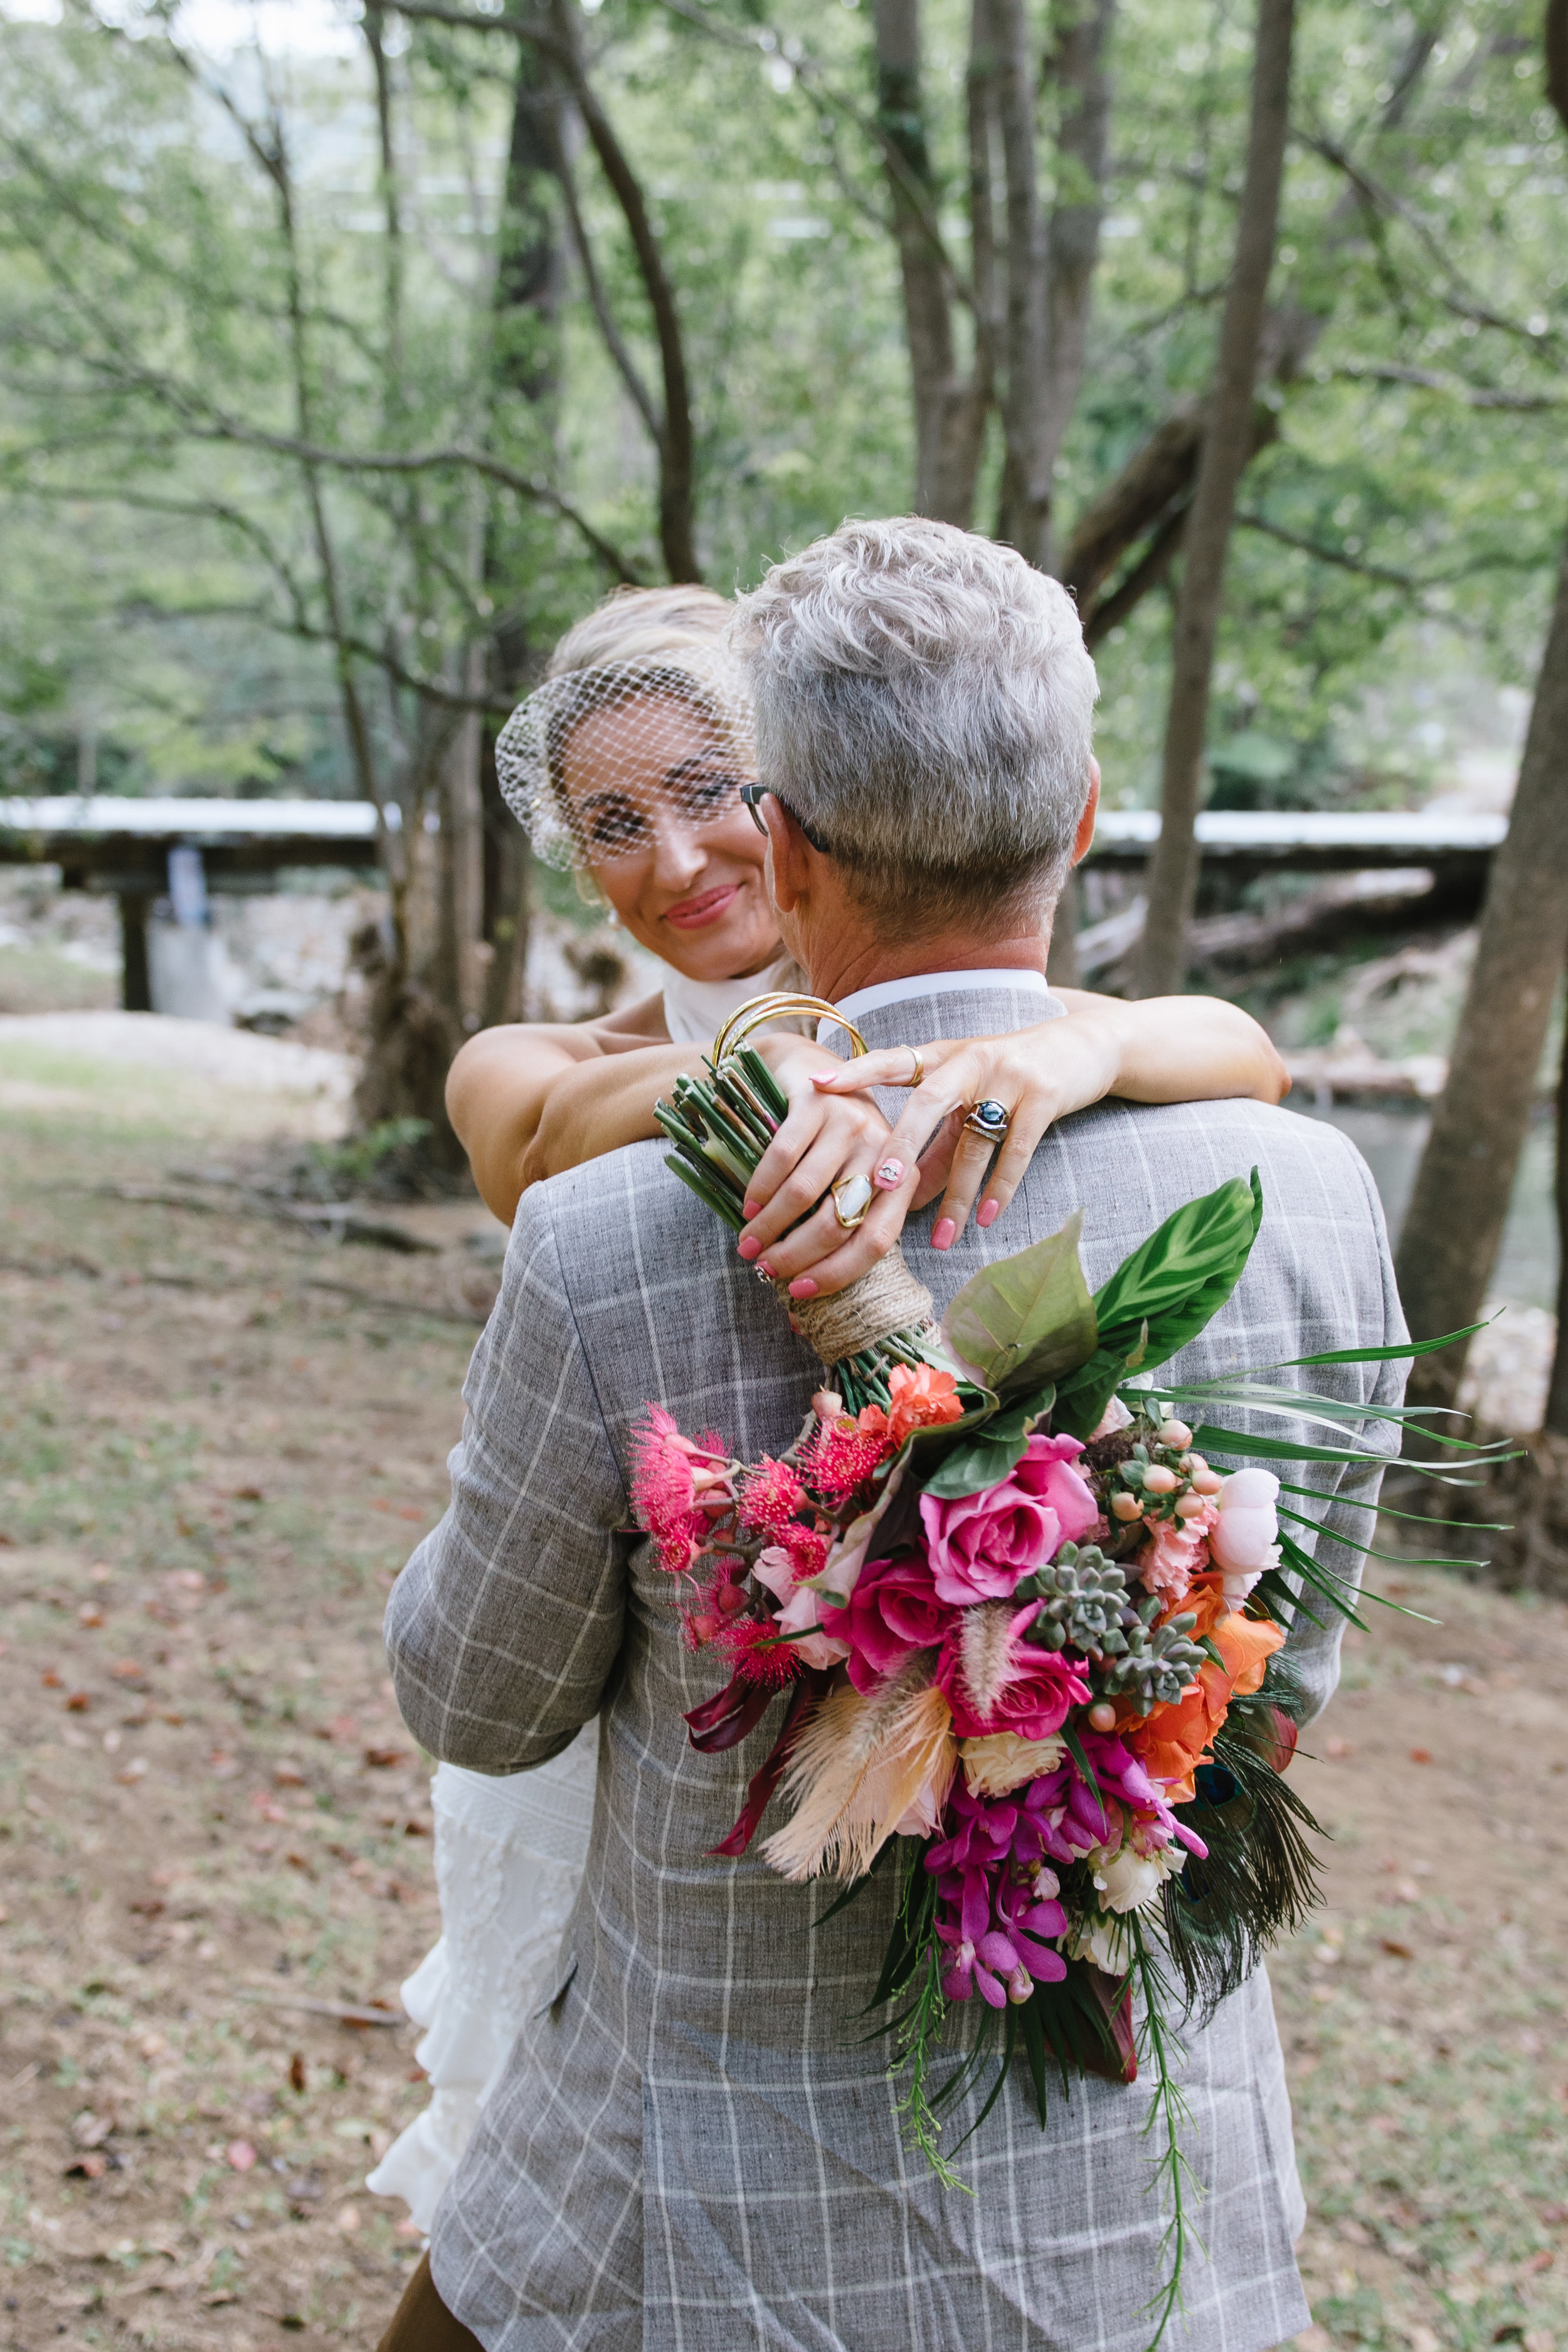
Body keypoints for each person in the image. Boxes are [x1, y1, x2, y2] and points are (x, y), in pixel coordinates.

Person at [381, 520, 1406, 2350]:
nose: (676, 854)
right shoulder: (1314, 1194)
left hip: (693, 2182)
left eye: (710, 796)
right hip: (1137, 2177)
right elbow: (1277, 1688)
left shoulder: (616, 1240)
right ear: (1077, 813)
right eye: (612, 818)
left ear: (781, 828)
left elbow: (477, 1695)